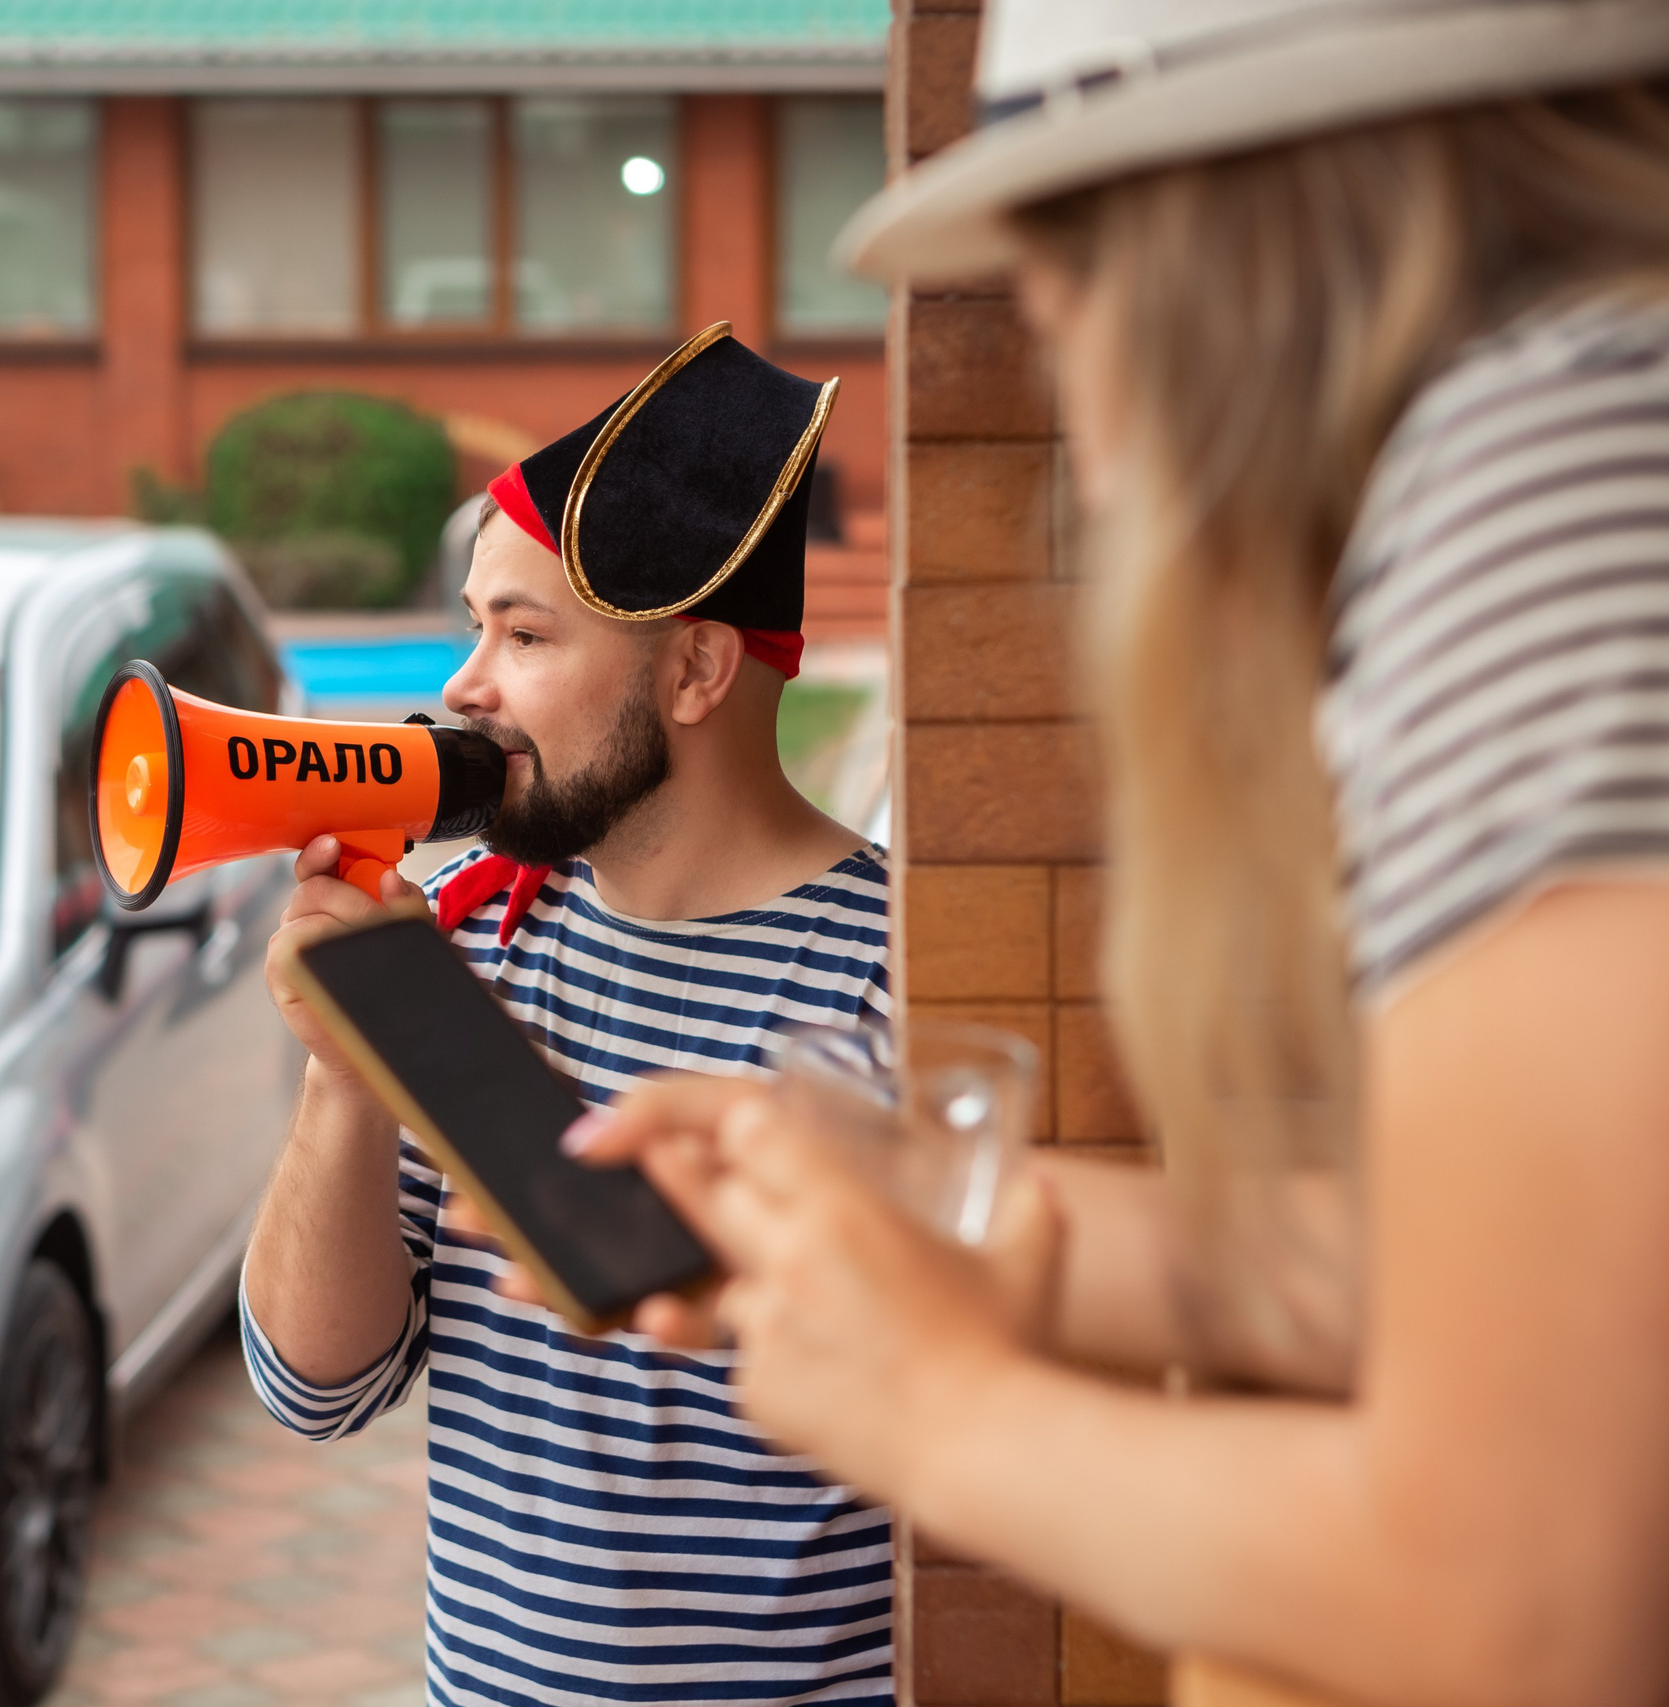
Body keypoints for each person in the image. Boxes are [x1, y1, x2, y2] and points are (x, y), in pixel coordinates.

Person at [565, 5, 1669, 1705]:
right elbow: (1485, 1298)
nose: (1076, 405)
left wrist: (929, 1405)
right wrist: (944, 1206)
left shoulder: (1547, 484)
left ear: (1229, 250)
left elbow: (1523, 1597)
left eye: (1062, 293)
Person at [240, 327, 899, 1704]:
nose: (465, 688)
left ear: (698, 672)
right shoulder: (473, 935)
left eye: (525, 634)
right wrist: (347, 1071)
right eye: (475, 625)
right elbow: (317, 1388)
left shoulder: (894, 983)